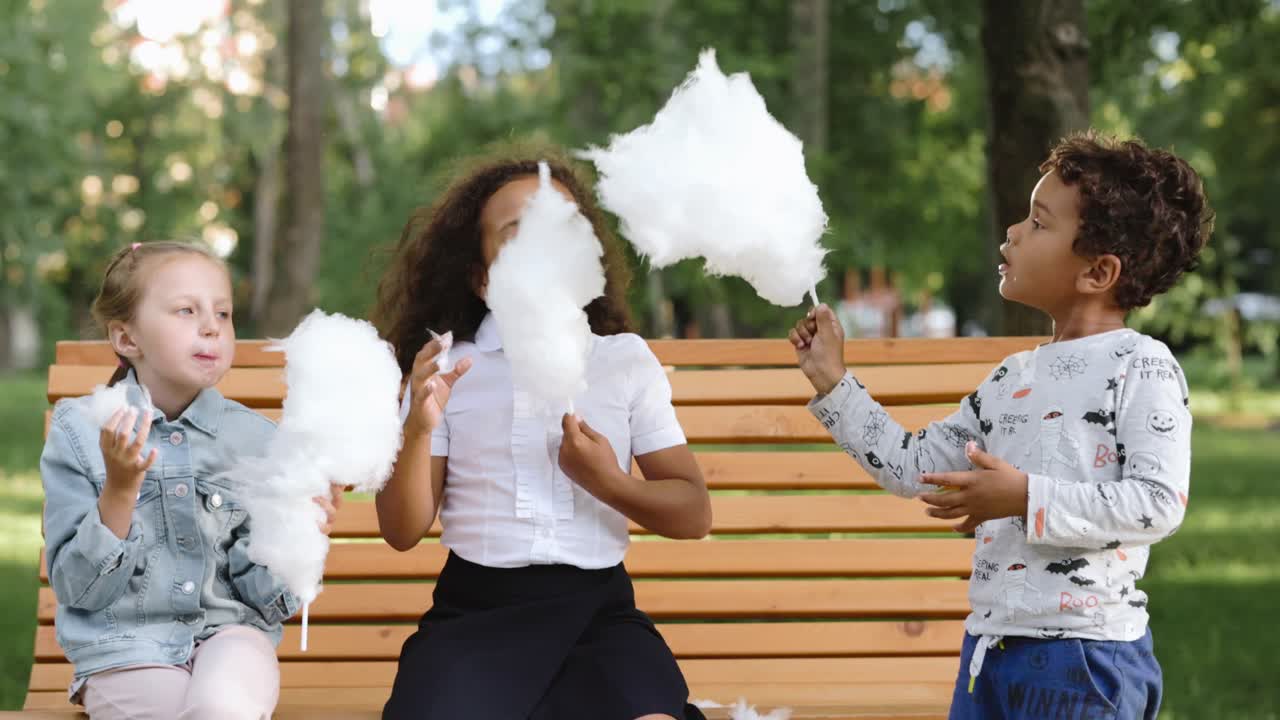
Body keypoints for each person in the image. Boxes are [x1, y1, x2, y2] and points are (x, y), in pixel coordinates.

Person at [791, 132, 1212, 719]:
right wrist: (835, 383)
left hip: (1085, 661)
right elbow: (914, 467)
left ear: (1098, 271)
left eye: (1039, 224)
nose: (1013, 232)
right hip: (989, 652)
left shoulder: (1141, 366)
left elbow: (1157, 503)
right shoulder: (1010, 378)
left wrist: (1024, 498)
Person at [373, 144, 713, 720]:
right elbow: (402, 531)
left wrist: (610, 483)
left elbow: (693, 512)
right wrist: (418, 429)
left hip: (599, 616)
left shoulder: (624, 362)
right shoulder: (449, 369)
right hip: (475, 614)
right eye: (515, 229)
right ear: (482, 279)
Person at [42, 240, 342, 719]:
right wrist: (120, 489)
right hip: (125, 649)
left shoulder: (258, 440)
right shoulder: (81, 430)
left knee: (226, 707)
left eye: (223, 314)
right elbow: (79, 589)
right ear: (127, 339)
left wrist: (301, 537)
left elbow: (267, 600)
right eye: (186, 310)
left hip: (231, 637)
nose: (211, 327)